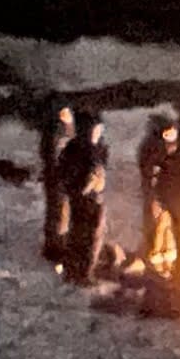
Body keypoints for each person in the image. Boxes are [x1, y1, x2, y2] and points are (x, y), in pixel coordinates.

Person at [59, 106, 111, 282]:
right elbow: (66, 174)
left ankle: (86, 270)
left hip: (95, 199)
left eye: (100, 129)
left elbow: (101, 171)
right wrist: (84, 187)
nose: (98, 133)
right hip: (81, 199)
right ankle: (75, 272)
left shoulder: (99, 149)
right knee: (79, 235)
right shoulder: (75, 149)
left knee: (93, 235)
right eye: (95, 129)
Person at [138, 110, 180, 284]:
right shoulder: (154, 150)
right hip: (158, 194)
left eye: (172, 131)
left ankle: (171, 260)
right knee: (159, 223)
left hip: (177, 195)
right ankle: (158, 258)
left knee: (172, 226)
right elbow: (149, 172)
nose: (169, 134)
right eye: (166, 131)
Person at [37, 101, 75, 269]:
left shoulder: (71, 129)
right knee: (57, 212)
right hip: (57, 178)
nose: (66, 115)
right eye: (63, 112)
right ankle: (53, 246)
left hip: (67, 178)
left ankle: (61, 243)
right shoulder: (55, 132)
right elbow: (52, 155)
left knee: (65, 211)